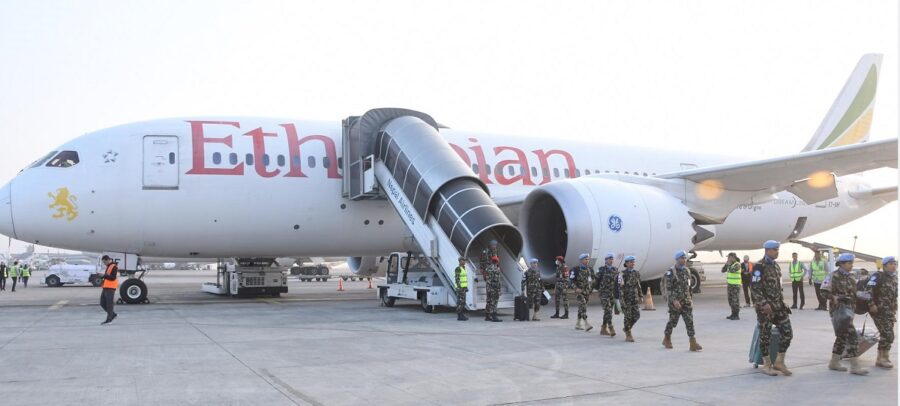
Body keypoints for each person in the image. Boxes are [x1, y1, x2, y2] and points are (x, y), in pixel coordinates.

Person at [750, 240, 794, 376]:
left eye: (777, 249)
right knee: (765, 336)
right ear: (767, 250)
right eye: (775, 250)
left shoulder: (776, 266)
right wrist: (763, 303)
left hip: (778, 306)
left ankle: (779, 362)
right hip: (766, 308)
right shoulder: (759, 267)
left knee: (788, 333)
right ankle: (767, 364)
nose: (777, 252)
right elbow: (755, 287)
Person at [821, 253, 867, 375]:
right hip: (839, 312)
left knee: (842, 337)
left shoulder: (851, 277)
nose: (851, 265)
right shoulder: (833, 276)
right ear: (841, 264)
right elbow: (823, 291)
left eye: (852, 263)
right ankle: (855, 366)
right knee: (853, 337)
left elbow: (854, 293)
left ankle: (834, 362)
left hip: (849, 311)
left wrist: (864, 297)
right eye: (849, 263)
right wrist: (833, 297)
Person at [662, 250, 701, 351]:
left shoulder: (687, 271)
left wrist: (690, 298)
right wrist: (674, 301)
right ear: (677, 259)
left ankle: (693, 343)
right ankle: (667, 338)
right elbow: (668, 289)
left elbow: (689, 286)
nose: (684, 260)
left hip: (686, 301)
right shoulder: (671, 272)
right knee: (672, 322)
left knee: (689, 322)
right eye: (682, 258)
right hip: (676, 303)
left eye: (685, 258)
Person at [865, 256, 897, 369]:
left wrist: (894, 311)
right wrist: (871, 304)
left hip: (890, 311)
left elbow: (894, 296)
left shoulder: (894, 278)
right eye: (891, 264)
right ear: (884, 266)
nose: (894, 266)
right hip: (878, 311)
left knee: (886, 334)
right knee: (888, 334)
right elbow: (868, 291)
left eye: (895, 264)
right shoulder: (877, 276)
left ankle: (881, 358)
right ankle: (884, 358)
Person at [618, 255, 642, 342]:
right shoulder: (622, 274)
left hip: (635, 298)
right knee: (627, 316)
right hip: (626, 298)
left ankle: (626, 328)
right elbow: (620, 288)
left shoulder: (636, 273)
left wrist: (641, 296)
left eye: (633, 262)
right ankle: (628, 333)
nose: (633, 263)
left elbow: (638, 285)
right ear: (627, 263)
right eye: (631, 262)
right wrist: (622, 300)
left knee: (637, 315)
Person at [596, 252, 619, 337]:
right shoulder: (601, 269)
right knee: (608, 310)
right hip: (604, 293)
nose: (611, 260)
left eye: (612, 259)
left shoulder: (615, 270)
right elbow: (596, 281)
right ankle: (611, 327)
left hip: (612, 294)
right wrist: (598, 290)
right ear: (605, 260)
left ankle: (603, 329)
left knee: (608, 311)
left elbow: (618, 282)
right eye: (609, 259)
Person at [572, 253, 594, 332]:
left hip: (587, 292)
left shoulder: (590, 269)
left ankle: (578, 324)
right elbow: (570, 280)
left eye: (588, 259)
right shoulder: (576, 269)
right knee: (583, 305)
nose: (587, 260)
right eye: (585, 259)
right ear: (581, 260)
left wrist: (591, 289)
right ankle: (586, 324)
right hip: (579, 292)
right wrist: (576, 288)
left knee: (582, 308)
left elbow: (593, 280)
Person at [722, 253, 742, 320]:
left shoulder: (737, 264)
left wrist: (729, 264)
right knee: (730, 300)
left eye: (729, 257)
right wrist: (726, 265)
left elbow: (732, 270)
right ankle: (733, 313)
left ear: (733, 257)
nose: (728, 259)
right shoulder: (729, 264)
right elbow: (722, 270)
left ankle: (736, 315)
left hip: (736, 285)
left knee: (735, 300)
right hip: (730, 285)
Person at [99, 255, 119, 325]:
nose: (104, 263)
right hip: (106, 287)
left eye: (104, 262)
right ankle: (112, 314)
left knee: (109, 304)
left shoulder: (114, 266)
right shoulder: (109, 266)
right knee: (102, 303)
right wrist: (102, 277)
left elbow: (113, 278)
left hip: (110, 287)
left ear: (108, 260)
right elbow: (108, 277)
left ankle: (109, 320)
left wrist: (103, 275)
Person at [484, 256, 502, 322]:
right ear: (497, 262)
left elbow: (485, 277)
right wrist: (499, 290)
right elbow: (496, 280)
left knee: (488, 301)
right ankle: (494, 316)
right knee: (494, 302)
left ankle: (487, 316)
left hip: (488, 287)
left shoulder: (487, 268)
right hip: (494, 288)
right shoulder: (496, 269)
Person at [454, 257, 469, 321]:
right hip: (460, 288)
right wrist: (459, 287)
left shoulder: (463, 268)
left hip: (463, 288)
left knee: (463, 302)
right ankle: (459, 315)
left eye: (465, 260)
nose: (464, 262)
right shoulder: (458, 269)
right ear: (460, 261)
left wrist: (465, 287)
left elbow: (464, 279)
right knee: (460, 302)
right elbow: (457, 279)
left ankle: (461, 314)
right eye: (463, 260)